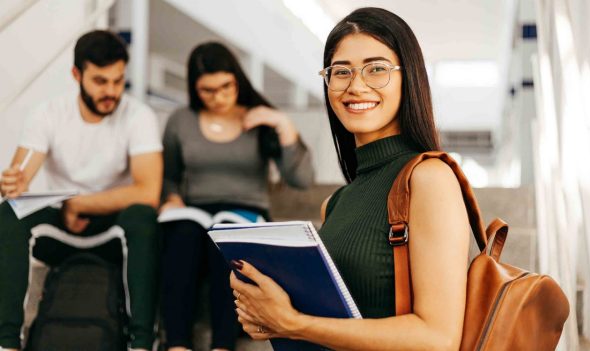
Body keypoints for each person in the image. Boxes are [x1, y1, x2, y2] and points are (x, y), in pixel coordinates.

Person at [230, 7, 471, 350]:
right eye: (341, 71)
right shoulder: (337, 202)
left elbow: (437, 339)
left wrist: (294, 323)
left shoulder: (429, 179)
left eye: (377, 69)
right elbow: (330, 326)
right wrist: (268, 316)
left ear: (410, 77)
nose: (356, 86)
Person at [0, 30, 163, 351]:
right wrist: (13, 184)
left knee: (143, 218)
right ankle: (7, 343)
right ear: (76, 75)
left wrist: (80, 204)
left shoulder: (138, 116)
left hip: (114, 232)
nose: (111, 92)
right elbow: (21, 179)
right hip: (61, 230)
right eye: (100, 81)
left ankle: (142, 344)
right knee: (8, 214)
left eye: (118, 81)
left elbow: (148, 192)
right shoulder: (48, 113)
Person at [160, 42, 313, 351]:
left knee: (226, 240)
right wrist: (172, 197)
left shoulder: (259, 118)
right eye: (208, 90)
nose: (219, 97)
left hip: (246, 211)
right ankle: (176, 344)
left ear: (237, 80)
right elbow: (171, 175)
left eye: (225, 86)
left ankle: (223, 345)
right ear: (194, 88)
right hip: (195, 213)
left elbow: (302, 180)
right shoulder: (181, 121)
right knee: (183, 237)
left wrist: (282, 124)